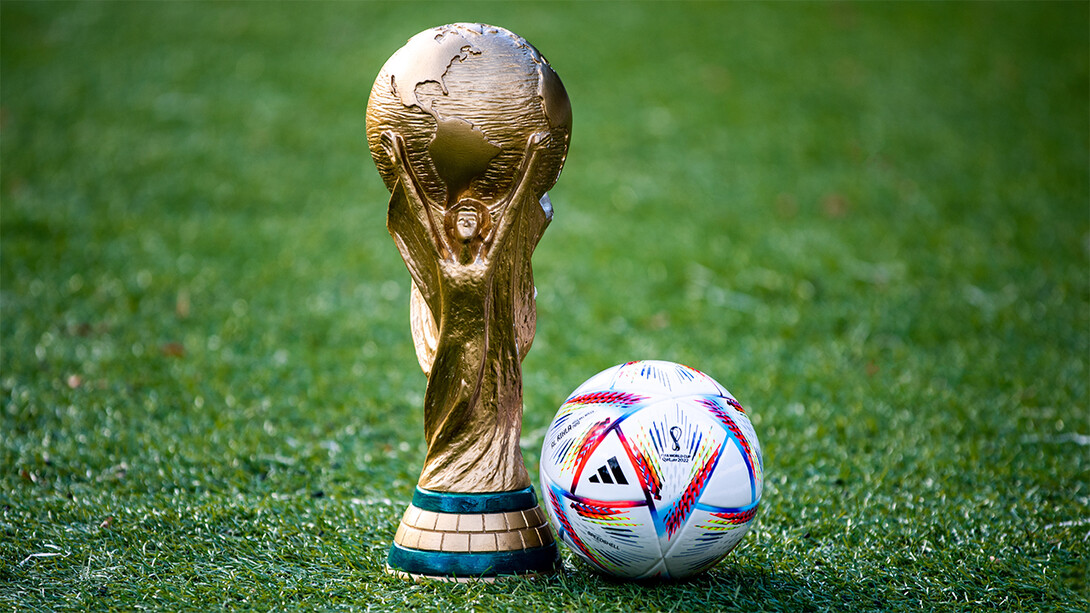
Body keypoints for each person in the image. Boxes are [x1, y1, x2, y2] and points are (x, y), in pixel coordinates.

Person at [380, 129, 552, 492]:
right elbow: (422, 214)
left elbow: (511, 213)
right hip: (447, 348)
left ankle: (487, 471)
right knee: (444, 416)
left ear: (480, 227)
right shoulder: (441, 257)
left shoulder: (489, 260)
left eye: (474, 219)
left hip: (487, 349)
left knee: (487, 410)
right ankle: (446, 473)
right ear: (453, 226)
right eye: (461, 219)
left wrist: (532, 160)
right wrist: (400, 164)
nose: (467, 222)